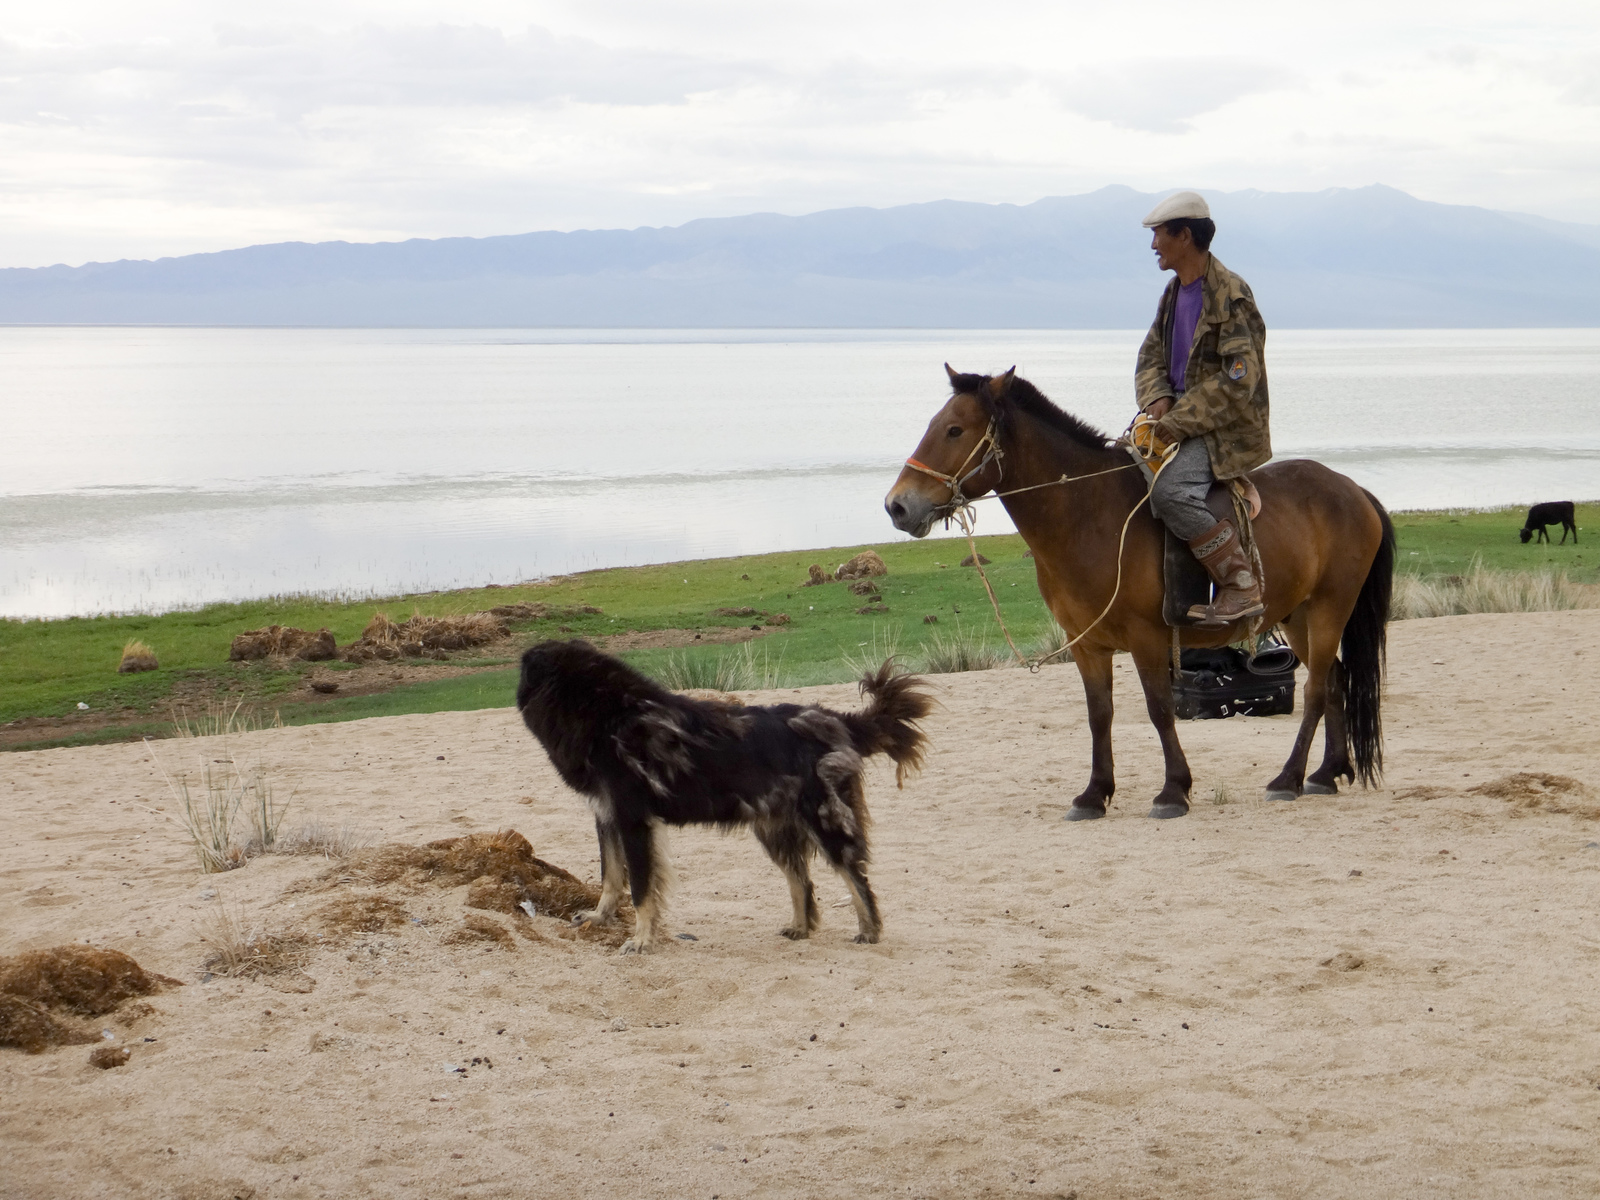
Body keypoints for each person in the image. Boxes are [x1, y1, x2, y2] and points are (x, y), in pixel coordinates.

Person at [1133, 190, 1271, 627]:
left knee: (1170, 492)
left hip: (1223, 431)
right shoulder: (1173, 294)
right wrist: (1157, 397)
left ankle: (1240, 584)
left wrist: (1177, 421)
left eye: (1159, 235)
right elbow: (1150, 356)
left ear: (1184, 236)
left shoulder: (1231, 295)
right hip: (1176, 421)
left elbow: (1237, 381)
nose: (1153, 244)